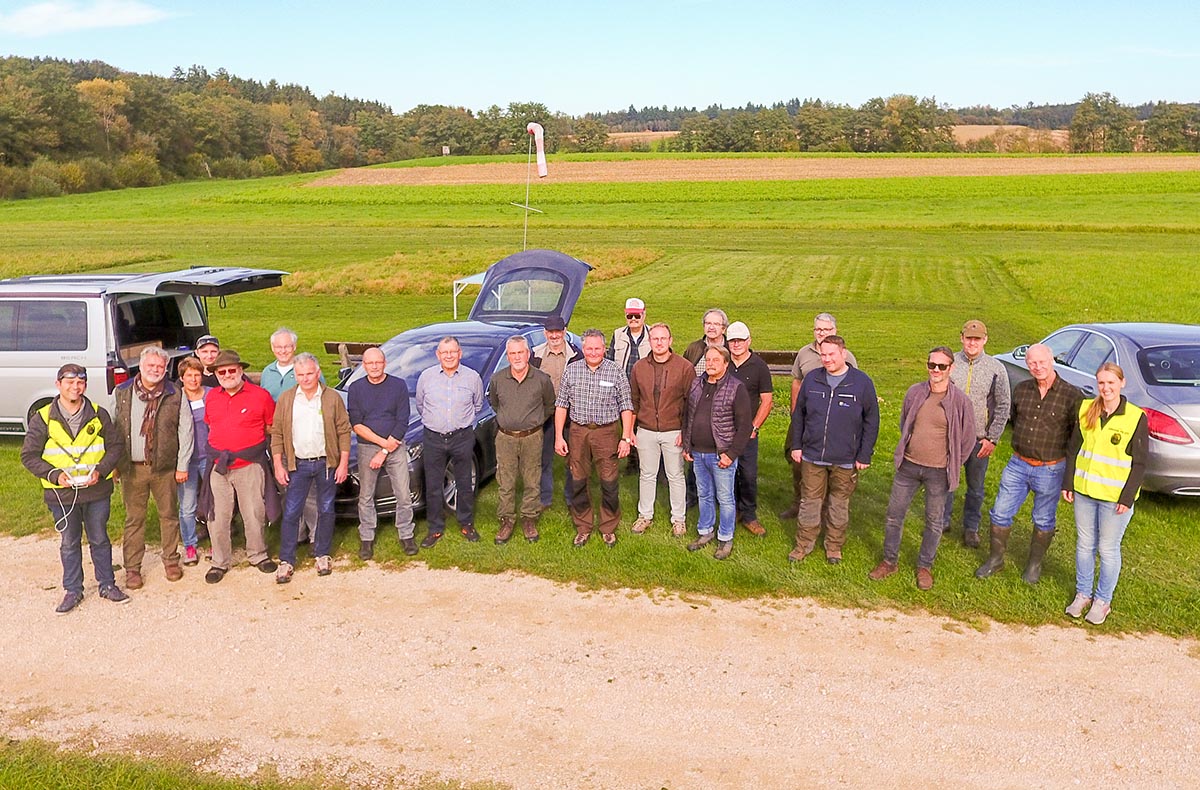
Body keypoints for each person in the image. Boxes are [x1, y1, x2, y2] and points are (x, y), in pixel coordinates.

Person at [21, 364, 129, 614]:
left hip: (96, 490)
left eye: (80, 382)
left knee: (100, 538)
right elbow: (29, 456)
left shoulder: (98, 413)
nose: (75, 387)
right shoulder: (44, 417)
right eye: (69, 382)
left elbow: (115, 446)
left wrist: (100, 471)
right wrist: (55, 475)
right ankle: (73, 589)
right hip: (61, 495)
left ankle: (107, 584)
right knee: (69, 542)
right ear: (58, 385)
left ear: (85, 386)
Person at [868, 347, 976, 590]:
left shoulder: (960, 402)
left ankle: (925, 566)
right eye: (932, 365)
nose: (935, 370)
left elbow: (968, 439)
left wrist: (953, 463)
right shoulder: (915, 393)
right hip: (909, 466)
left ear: (951, 368)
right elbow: (905, 422)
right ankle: (889, 561)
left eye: (941, 366)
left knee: (934, 521)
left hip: (939, 471)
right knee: (894, 515)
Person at [975, 343, 1083, 584]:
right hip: (1018, 464)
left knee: (1044, 519)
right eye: (1032, 363)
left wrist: (1070, 473)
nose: (1038, 367)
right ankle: (996, 559)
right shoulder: (1022, 389)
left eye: (1042, 362)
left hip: (1051, 468)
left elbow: (1078, 436)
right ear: (1027, 365)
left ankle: (1034, 565)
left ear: (1052, 360)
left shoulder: (1072, 395)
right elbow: (1012, 418)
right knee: (1000, 513)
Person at [1062, 363, 1148, 625]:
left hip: (1115, 498)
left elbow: (1140, 463)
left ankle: (1102, 600)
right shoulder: (1087, 409)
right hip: (1085, 491)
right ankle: (1083, 594)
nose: (1106, 388)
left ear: (1121, 383)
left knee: (1107, 549)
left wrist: (1127, 497)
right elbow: (1073, 449)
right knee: (1084, 545)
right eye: (1101, 383)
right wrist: (1068, 483)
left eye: (1111, 382)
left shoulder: (1135, 417)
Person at [787, 335, 879, 564]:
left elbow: (872, 420)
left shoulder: (861, 383)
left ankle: (834, 546)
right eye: (823, 354)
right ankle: (803, 544)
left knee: (838, 505)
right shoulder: (812, 380)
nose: (827, 359)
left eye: (831, 355)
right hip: (812, 455)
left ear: (843, 354)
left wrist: (864, 453)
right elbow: (799, 415)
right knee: (810, 502)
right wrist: (797, 445)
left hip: (845, 458)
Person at [112, 346, 193, 589]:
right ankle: (133, 569)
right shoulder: (122, 392)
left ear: (166, 368)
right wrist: (114, 463)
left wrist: (182, 465)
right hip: (132, 469)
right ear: (141, 365)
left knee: (168, 516)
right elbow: (113, 428)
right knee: (134, 519)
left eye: (160, 367)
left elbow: (186, 431)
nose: (155, 370)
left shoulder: (175, 393)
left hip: (165, 468)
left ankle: (170, 560)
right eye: (151, 366)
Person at [200, 349, 279, 584]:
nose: (226, 374)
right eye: (221, 372)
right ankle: (220, 561)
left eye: (231, 370)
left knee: (254, 511)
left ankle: (258, 554)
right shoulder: (212, 396)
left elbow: (271, 427)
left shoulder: (261, 396)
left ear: (240, 370)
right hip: (218, 465)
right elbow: (210, 425)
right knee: (217, 515)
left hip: (249, 464)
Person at [271, 353, 351, 582]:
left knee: (326, 509)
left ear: (317, 373)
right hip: (298, 465)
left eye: (309, 374)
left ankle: (322, 553)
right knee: (292, 512)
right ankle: (286, 559)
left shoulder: (331, 398)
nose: (305, 378)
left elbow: (344, 431)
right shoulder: (287, 399)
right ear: (295, 375)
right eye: (300, 374)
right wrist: (279, 464)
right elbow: (276, 433)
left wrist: (343, 463)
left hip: (326, 463)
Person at [555, 329, 635, 548]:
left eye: (597, 348)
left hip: (606, 432)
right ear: (583, 348)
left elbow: (626, 405)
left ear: (604, 349)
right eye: (589, 348)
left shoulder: (615, 371)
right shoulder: (571, 371)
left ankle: (608, 527)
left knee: (609, 481)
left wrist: (626, 437)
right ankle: (583, 526)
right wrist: (559, 437)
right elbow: (561, 404)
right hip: (578, 432)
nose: (593, 352)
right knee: (578, 479)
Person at [782, 312, 858, 520]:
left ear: (835, 331)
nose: (821, 333)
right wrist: (795, 411)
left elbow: (854, 388)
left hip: (833, 424)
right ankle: (799, 502)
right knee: (798, 462)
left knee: (827, 467)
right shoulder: (804, 353)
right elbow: (797, 382)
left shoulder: (846, 356)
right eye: (818, 329)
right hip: (805, 418)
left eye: (826, 330)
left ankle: (826, 509)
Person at [943, 320, 1011, 548]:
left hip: (979, 440)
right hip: (950, 437)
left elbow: (1003, 405)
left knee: (976, 488)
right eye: (968, 338)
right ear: (961, 338)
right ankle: (942, 520)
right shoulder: (949, 363)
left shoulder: (996, 368)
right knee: (947, 481)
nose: (972, 343)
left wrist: (992, 438)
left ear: (985, 340)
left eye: (977, 339)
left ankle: (971, 527)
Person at [683, 346, 753, 560]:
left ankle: (725, 537)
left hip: (721, 454)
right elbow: (688, 416)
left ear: (725, 363)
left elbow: (744, 426)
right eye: (708, 359)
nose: (711, 363)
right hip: (698, 452)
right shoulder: (697, 384)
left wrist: (731, 454)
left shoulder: (736, 388)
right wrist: (687, 446)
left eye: (715, 360)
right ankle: (705, 532)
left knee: (725, 497)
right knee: (704, 494)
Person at [347, 346, 417, 558]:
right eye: (369, 363)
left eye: (378, 362)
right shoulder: (356, 388)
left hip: (395, 446)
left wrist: (385, 450)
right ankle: (366, 537)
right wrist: (380, 446)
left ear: (384, 363)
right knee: (365, 495)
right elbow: (356, 424)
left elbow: (402, 419)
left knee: (403, 494)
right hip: (368, 447)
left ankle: (406, 534)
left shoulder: (398, 386)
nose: (374, 367)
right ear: (364, 365)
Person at [415, 336, 484, 547]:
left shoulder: (472, 378)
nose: (449, 356)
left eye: (453, 352)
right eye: (444, 352)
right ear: (438, 355)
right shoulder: (426, 377)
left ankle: (466, 523)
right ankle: (435, 528)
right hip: (433, 437)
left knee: (464, 482)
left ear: (459, 353)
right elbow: (420, 404)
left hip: (461, 437)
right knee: (433, 484)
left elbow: (478, 405)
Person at [628, 321, 694, 537]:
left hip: (673, 430)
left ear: (670, 341)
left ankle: (679, 519)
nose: (659, 342)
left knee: (675, 475)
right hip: (646, 430)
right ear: (650, 341)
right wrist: (630, 430)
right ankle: (645, 515)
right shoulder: (639, 367)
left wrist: (685, 431)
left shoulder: (684, 367)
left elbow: (691, 403)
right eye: (655, 339)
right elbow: (634, 401)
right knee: (647, 474)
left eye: (663, 338)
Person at [488, 336, 556, 544]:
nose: (517, 357)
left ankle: (529, 518)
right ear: (508, 356)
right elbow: (494, 403)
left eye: (520, 352)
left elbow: (549, 405)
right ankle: (506, 519)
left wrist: (534, 423)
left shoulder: (542, 379)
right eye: (512, 353)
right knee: (505, 480)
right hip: (506, 438)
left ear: (528, 354)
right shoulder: (498, 379)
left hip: (532, 437)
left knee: (532, 479)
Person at [259, 327, 323, 543]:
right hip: (277, 438)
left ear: (294, 347)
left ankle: (316, 534)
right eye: (278, 347)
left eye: (287, 346)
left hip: (304, 438)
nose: (283, 350)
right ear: (272, 348)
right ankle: (297, 532)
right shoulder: (268, 372)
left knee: (310, 492)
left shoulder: (305, 369)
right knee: (285, 486)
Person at [726, 320, 774, 537]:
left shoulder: (759, 366)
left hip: (747, 432)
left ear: (749, 341)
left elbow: (767, 400)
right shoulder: (724, 363)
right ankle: (732, 510)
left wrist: (754, 426)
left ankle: (749, 515)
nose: (736, 345)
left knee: (748, 473)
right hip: (724, 430)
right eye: (732, 341)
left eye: (740, 341)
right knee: (728, 472)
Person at [532, 316, 582, 509]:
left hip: (571, 415)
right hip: (544, 415)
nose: (554, 335)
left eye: (558, 331)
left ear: (565, 331)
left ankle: (571, 497)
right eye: (550, 332)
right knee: (543, 458)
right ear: (545, 333)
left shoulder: (576, 355)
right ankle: (545, 498)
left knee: (573, 457)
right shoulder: (536, 356)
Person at [608, 297, 650, 475]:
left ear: (644, 314)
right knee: (627, 427)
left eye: (637, 316)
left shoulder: (653, 334)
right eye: (630, 316)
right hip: (623, 389)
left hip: (646, 390)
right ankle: (633, 463)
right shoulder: (618, 335)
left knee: (646, 426)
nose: (633, 319)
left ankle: (648, 463)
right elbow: (610, 361)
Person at [176, 357, 210, 566]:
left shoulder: (211, 395)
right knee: (188, 505)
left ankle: (217, 541)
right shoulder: (176, 398)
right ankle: (190, 544)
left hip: (209, 456)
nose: (194, 379)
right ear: (182, 378)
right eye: (189, 375)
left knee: (213, 502)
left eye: (197, 374)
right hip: (187, 460)